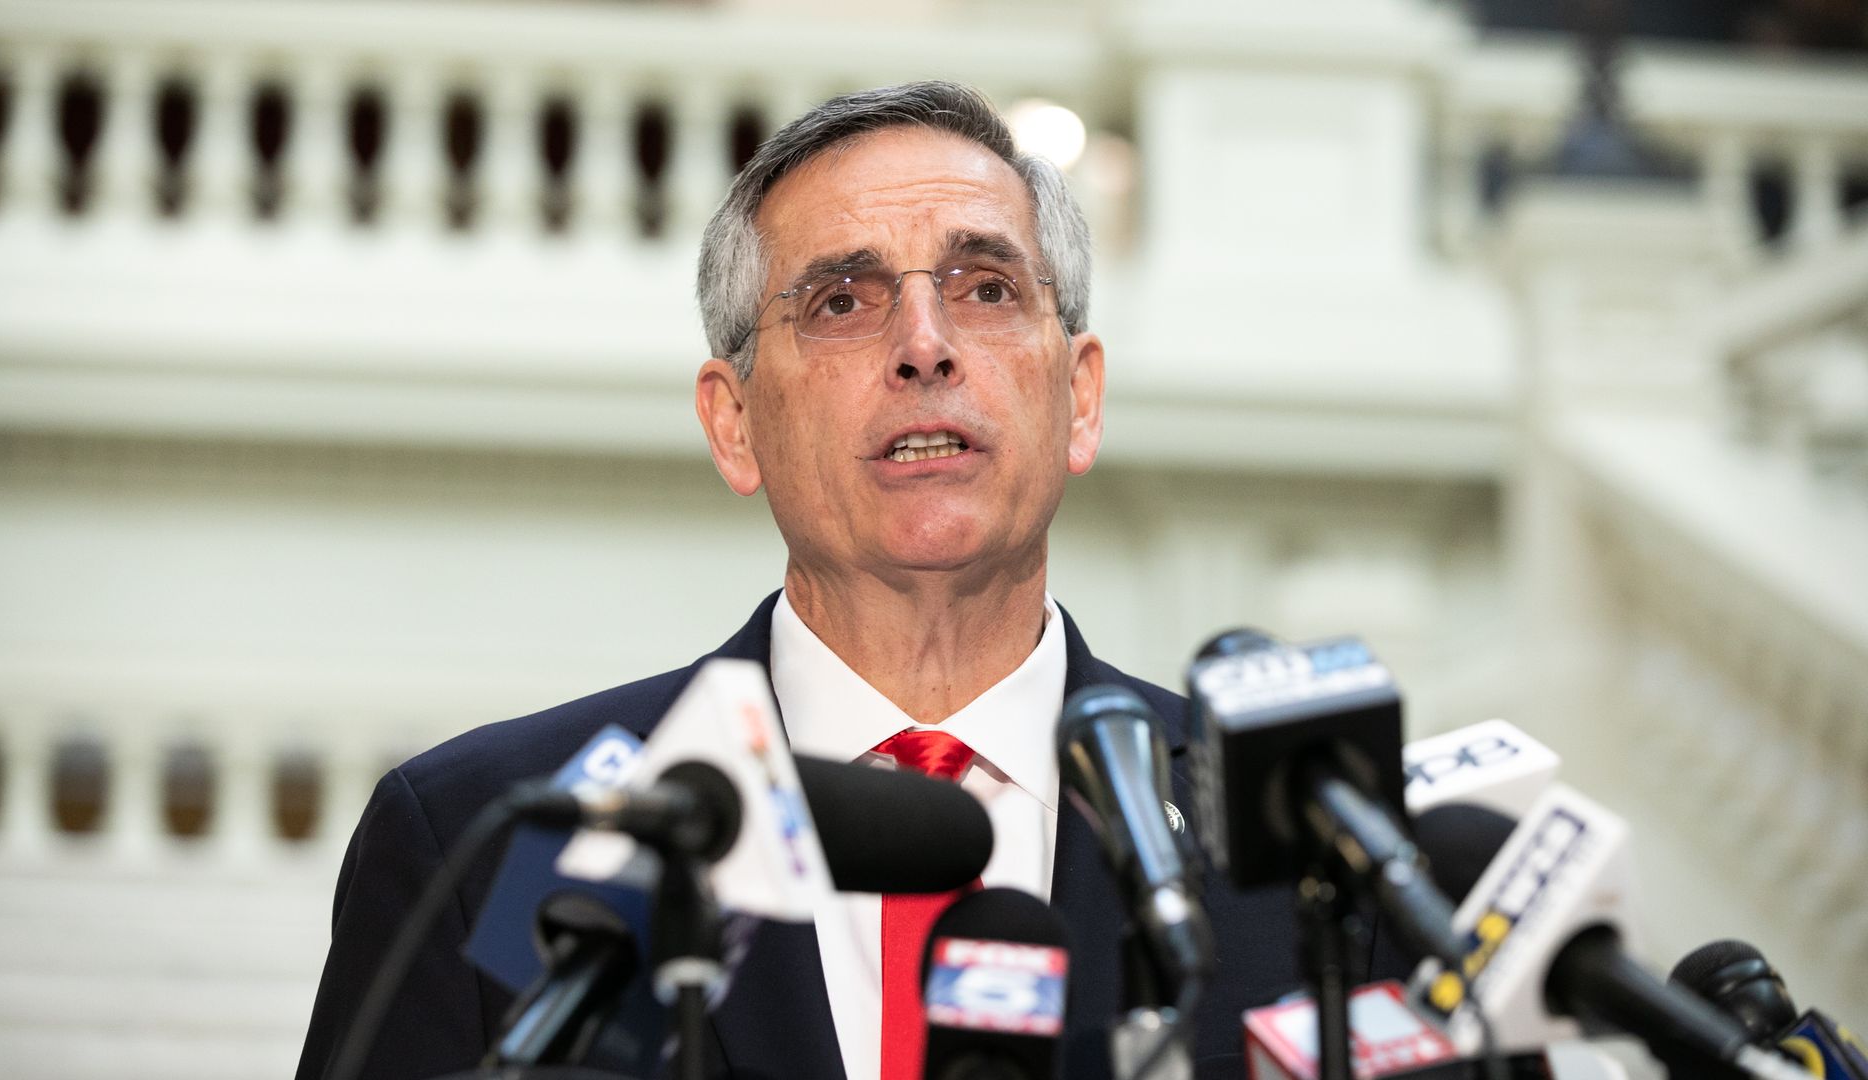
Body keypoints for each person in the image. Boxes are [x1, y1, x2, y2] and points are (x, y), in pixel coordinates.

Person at [294, 81, 1399, 1080]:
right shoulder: (495, 847)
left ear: (1082, 398)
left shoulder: (1315, 848)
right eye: (842, 302)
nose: (925, 344)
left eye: (986, 288)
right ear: (734, 424)